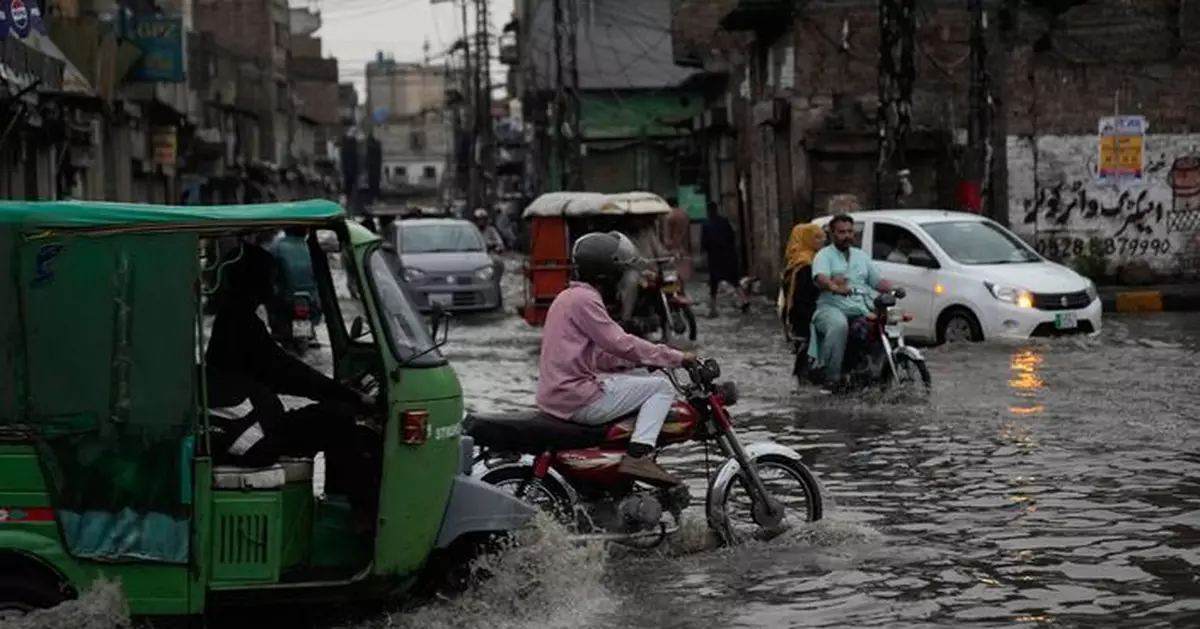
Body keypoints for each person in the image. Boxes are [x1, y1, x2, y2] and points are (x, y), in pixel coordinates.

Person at [205, 241, 379, 530]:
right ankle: (360, 514)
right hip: (251, 435)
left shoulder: (235, 319)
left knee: (333, 414)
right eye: (271, 281)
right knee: (338, 418)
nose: (274, 289)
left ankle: (341, 506)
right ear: (255, 282)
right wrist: (350, 396)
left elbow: (285, 372)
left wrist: (338, 390)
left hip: (253, 425)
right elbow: (288, 373)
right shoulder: (240, 323)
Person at [535, 232, 698, 486]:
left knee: (635, 385)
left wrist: (642, 360)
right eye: (620, 273)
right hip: (575, 397)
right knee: (661, 388)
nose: (622, 279)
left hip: (558, 396)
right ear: (606, 274)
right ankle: (639, 455)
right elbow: (620, 342)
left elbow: (599, 357)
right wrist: (675, 357)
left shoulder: (566, 297)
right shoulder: (585, 299)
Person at [807, 215, 895, 391]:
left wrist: (894, 289)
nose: (847, 236)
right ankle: (832, 376)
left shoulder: (861, 256)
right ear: (832, 234)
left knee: (881, 323)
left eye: (850, 231)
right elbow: (820, 277)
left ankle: (873, 367)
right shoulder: (824, 256)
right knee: (839, 325)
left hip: (860, 308)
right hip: (831, 307)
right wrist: (833, 286)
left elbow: (878, 281)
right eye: (842, 232)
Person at [699, 201, 750, 316]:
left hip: (715, 258)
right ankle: (745, 300)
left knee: (713, 284)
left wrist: (704, 254)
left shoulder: (706, 224)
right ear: (716, 210)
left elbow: (705, 242)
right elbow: (732, 237)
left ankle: (713, 309)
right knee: (734, 281)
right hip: (728, 256)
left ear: (708, 211)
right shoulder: (724, 221)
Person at [617, 216, 671, 324]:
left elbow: (660, 252)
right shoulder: (621, 236)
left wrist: (671, 255)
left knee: (672, 276)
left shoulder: (648, 233)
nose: (637, 221)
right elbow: (621, 256)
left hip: (652, 271)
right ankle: (625, 318)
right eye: (634, 219)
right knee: (631, 281)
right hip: (634, 271)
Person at [780, 223, 825, 343]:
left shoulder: (797, 260)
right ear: (806, 239)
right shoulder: (804, 264)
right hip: (805, 317)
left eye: (822, 237)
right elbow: (802, 295)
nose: (822, 241)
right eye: (817, 237)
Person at [662, 197, 693, 283]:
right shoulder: (685, 215)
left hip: (672, 252)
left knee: (671, 280)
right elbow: (689, 235)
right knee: (683, 279)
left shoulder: (668, 216)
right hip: (684, 250)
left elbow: (666, 237)